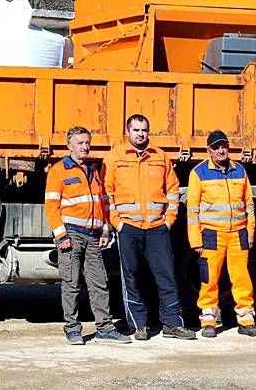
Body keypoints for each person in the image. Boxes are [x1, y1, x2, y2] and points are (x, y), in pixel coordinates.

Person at [102, 114, 195, 340]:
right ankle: (139, 325)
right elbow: (106, 193)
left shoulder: (160, 157)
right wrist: (117, 222)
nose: (140, 134)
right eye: (136, 130)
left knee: (166, 276)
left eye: (144, 130)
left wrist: (169, 220)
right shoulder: (114, 158)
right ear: (128, 132)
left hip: (157, 228)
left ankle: (172, 324)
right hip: (129, 227)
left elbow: (173, 189)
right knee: (131, 278)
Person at [44, 126, 131, 345]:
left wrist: (104, 229)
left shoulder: (94, 171)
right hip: (71, 235)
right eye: (80, 143)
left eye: (87, 143)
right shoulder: (58, 170)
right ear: (69, 146)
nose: (85, 147)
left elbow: (101, 203)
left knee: (98, 283)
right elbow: (51, 205)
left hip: (93, 236)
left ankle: (104, 328)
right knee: (71, 283)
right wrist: (61, 236)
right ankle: (72, 329)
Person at [187, 130, 256, 338]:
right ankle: (209, 321)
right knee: (209, 279)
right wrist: (196, 239)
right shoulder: (198, 173)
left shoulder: (240, 171)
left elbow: (249, 205)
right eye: (216, 147)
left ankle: (246, 321)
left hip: (238, 233)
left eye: (224, 146)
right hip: (211, 234)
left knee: (242, 277)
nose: (221, 150)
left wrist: (250, 232)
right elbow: (192, 210)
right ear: (208, 150)